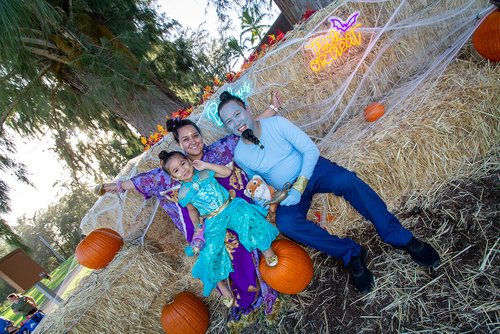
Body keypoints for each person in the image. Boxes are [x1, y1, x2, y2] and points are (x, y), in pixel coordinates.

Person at [217, 91, 441, 294]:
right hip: (287, 191)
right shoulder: (240, 155)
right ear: (226, 128)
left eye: (237, 114)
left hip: (312, 169)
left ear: (247, 109)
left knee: (346, 180)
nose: (236, 122)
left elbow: (309, 150)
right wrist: (267, 196)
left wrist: (299, 186)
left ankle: (399, 237)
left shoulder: (276, 124)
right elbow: (257, 181)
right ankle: (350, 253)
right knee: (287, 225)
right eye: (229, 121)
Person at [103, 92, 283, 321]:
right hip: (213, 224)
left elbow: (247, 130)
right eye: (185, 139)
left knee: (247, 228)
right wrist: (118, 186)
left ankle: (270, 270)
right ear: (178, 144)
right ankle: (241, 296)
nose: (192, 141)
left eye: (195, 135)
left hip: (234, 209)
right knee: (220, 250)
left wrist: (273, 108)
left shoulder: (219, 150)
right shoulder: (173, 171)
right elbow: (144, 180)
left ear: (201, 135)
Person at [160, 151, 279, 306]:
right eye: (176, 170)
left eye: (183, 163)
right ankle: (221, 285)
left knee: (247, 217)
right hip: (212, 220)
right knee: (209, 250)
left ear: (189, 161)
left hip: (229, 207)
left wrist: (206, 165)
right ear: (174, 177)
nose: (182, 170)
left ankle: (266, 249)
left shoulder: (204, 172)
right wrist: (197, 227)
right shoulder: (183, 194)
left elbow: (227, 172)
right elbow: (192, 211)